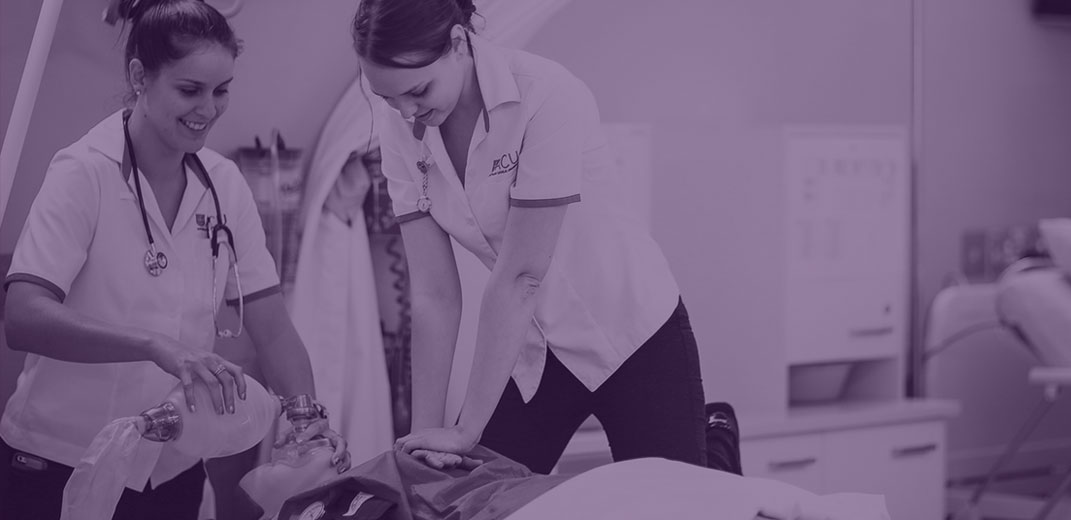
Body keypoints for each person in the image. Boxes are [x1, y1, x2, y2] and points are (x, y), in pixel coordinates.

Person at [0, 1, 349, 518]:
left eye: (221, 90)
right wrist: (154, 345)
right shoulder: (84, 173)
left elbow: (272, 325)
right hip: (59, 460)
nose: (208, 108)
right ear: (139, 76)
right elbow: (23, 316)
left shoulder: (224, 184)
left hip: (169, 470)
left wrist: (306, 420)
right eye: (190, 90)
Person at [351, 0, 710, 475]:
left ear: (457, 43)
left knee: (675, 500)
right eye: (388, 98)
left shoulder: (545, 93)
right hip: (534, 346)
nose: (406, 111)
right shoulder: (400, 125)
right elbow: (434, 294)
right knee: (466, 494)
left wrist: (465, 430)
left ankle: (717, 447)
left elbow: (521, 276)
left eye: (417, 91)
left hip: (631, 333)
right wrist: (423, 440)